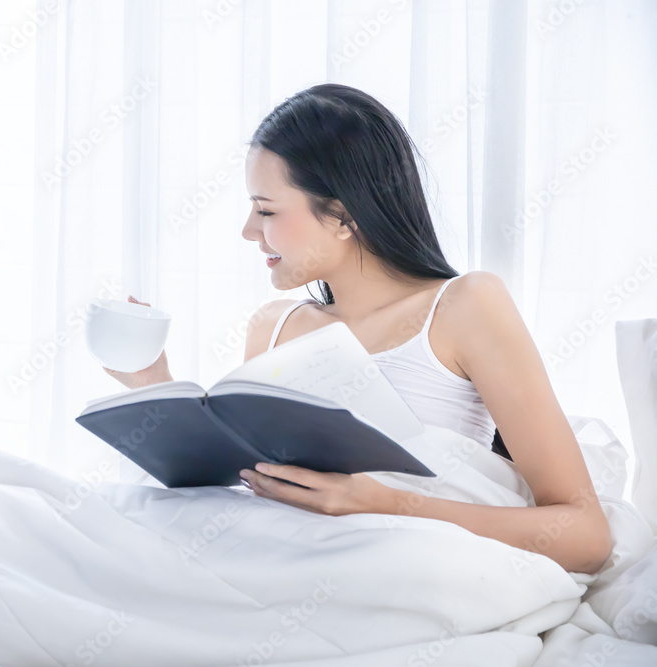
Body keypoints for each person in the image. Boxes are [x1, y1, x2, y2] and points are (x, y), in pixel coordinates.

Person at [102, 83, 612, 575]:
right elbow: (241, 488)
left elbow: (586, 537)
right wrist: (153, 383)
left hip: (390, 570)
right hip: (277, 564)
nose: (249, 231)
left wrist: (387, 504)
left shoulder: (464, 307)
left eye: (266, 210)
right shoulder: (272, 329)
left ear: (343, 217)